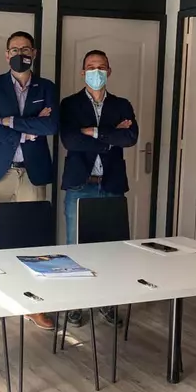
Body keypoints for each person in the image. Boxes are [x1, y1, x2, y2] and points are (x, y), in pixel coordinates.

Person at [0, 31, 58, 331]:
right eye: (14, 49)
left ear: (33, 53)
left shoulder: (46, 87)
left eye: (25, 49)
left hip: (32, 172)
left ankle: (32, 305)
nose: (19, 53)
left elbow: (51, 126)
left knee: (33, 243)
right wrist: (27, 131)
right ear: (6, 54)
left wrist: (8, 121)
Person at [60, 49, 138, 327]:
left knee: (112, 250)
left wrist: (91, 131)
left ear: (109, 71)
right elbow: (70, 140)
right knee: (76, 248)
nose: (96, 71)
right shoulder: (70, 104)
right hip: (80, 185)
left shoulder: (121, 104)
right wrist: (109, 136)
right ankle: (76, 304)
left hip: (112, 185)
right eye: (91, 67)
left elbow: (130, 137)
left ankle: (107, 302)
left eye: (101, 67)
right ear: (83, 72)